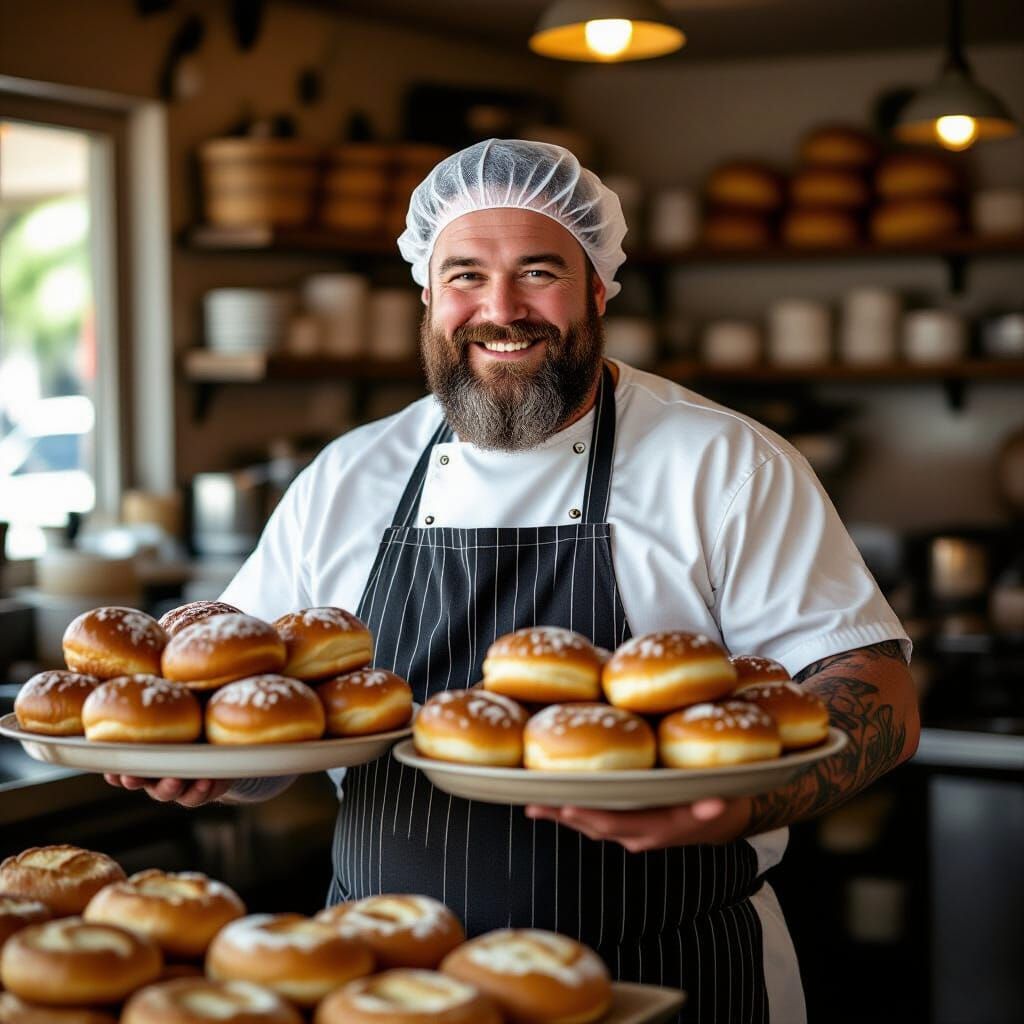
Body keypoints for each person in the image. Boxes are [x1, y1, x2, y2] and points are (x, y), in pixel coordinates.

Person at [108, 139, 919, 1023]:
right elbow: (258, 710)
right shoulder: (348, 477)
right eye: (465, 275)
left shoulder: (723, 464)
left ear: (599, 288)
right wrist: (202, 767)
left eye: (540, 272)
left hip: (675, 971)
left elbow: (878, 692)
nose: (501, 310)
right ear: (426, 296)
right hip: (387, 984)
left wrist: (738, 802)